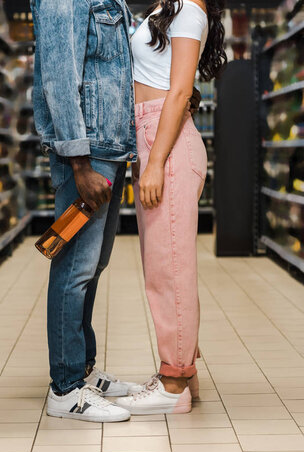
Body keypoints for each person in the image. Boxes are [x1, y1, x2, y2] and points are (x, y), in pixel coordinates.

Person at [30, 0, 201, 423]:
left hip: (112, 148)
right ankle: (66, 389)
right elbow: (57, 72)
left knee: (95, 264)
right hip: (87, 154)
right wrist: (78, 161)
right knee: (75, 268)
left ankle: (83, 369)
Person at [117, 0, 227, 416]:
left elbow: (179, 91)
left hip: (166, 140)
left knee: (170, 270)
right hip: (154, 133)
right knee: (164, 263)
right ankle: (184, 375)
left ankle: (173, 383)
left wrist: (157, 162)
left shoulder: (189, 10)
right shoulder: (169, 9)